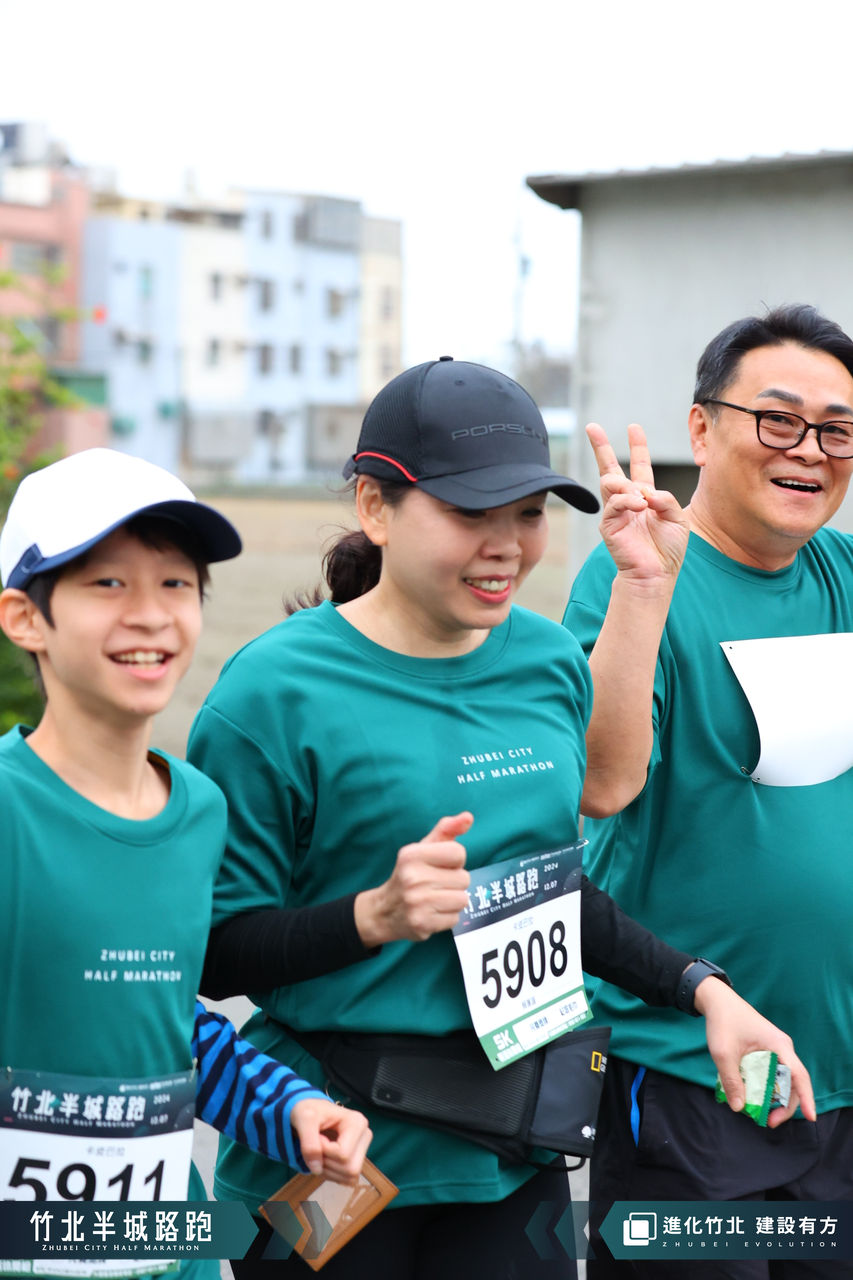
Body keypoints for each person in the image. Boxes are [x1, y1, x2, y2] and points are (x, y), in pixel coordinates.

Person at [187, 356, 813, 1280]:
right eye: (469, 513)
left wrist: (704, 992)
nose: (507, 546)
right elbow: (209, 955)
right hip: (333, 1152)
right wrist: (372, 917)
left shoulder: (546, 661)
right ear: (374, 507)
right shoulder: (272, 693)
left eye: (526, 514)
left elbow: (548, 890)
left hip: (510, 1146)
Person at [0, 449, 371, 1280]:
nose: (150, 615)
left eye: (175, 583)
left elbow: (160, 1025)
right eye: (107, 584)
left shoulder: (199, 810)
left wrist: (287, 1108)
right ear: (25, 618)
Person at [566, 303, 853, 1278]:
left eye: (836, 430)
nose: (807, 449)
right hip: (691, 1071)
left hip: (836, 1080)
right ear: (700, 427)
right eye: (777, 419)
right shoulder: (634, 574)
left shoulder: (843, 576)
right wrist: (642, 590)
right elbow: (599, 783)